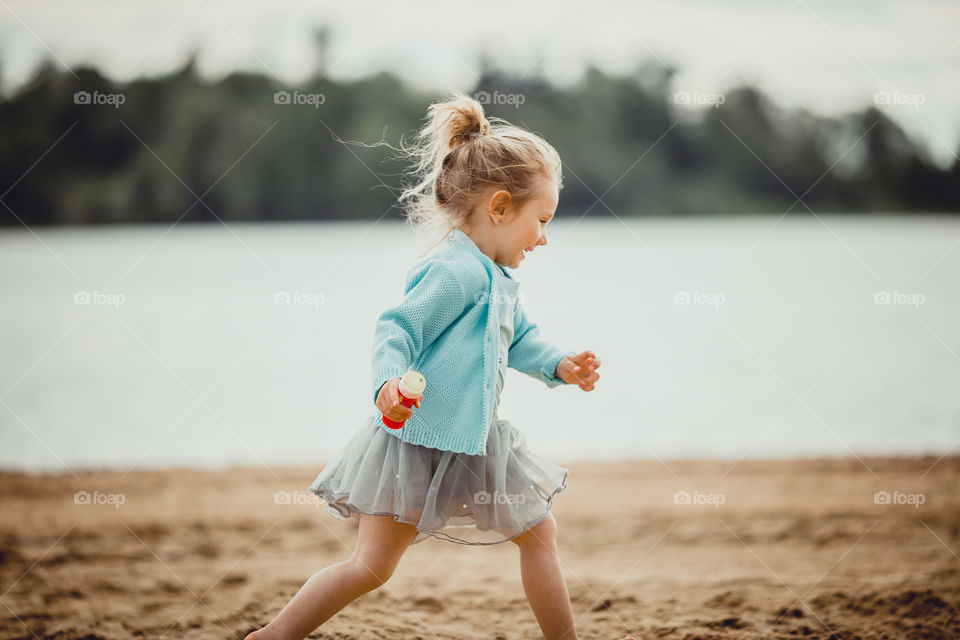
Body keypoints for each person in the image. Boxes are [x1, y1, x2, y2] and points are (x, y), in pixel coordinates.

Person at [246, 92, 613, 640]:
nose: (544, 237)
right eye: (542, 220)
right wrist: (387, 385)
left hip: (478, 442)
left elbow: (520, 341)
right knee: (370, 568)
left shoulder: (500, 278)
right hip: (414, 442)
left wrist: (561, 365)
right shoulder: (455, 271)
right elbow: (397, 329)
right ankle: (271, 637)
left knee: (540, 535)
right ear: (499, 207)